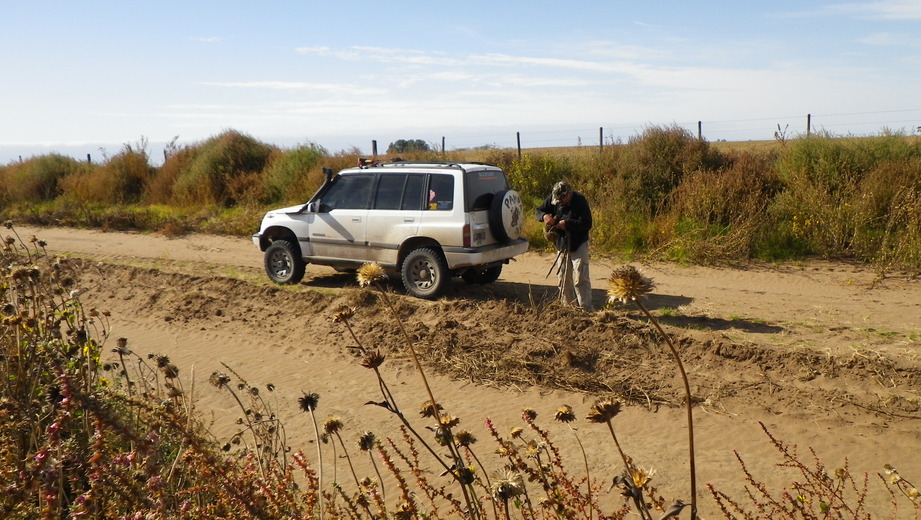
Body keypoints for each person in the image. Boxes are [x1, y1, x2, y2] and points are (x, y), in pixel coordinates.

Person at [536, 181, 594, 311]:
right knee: (563, 278)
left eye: (561, 200)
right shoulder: (554, 198)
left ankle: (586, 309)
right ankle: (568, 308)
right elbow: (539, 210)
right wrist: (544, 216)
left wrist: (567, 224)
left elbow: (587, 223)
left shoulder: (580, 200)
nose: (559, 203)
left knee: (581, 277)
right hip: (561, 244)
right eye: (557, 201)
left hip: (578, 244)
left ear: (567, 194)